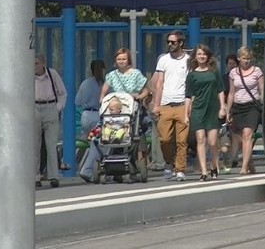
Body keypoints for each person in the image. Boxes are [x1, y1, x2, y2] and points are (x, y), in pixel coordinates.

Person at [79, 48, 149, 182]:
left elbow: (146, 90)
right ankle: (108, 168)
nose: (121, 61)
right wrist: (102, 100)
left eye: (124, 59)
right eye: (119, 59)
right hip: (113, 109)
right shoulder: (111, 75)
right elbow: (104, 90)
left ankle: (131, 164)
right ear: (115, 61)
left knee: (134, 136)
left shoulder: (136, 74)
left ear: (128, 60)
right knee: (102, 136)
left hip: (131, 108)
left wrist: (139, 96)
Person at [184, 44, 226, 181]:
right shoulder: (192, 75)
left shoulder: (214, 72)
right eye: (199, 54)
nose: (201, 56)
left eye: (204, 54)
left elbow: (220, 90)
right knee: (200, 139)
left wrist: (222, 107)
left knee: (213, 142)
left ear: (208, 56)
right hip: (198, 109)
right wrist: (186, 114)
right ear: (195, 57)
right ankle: (204, 171)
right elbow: (188, 95)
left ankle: (214, 165)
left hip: (213, 108)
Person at [152, 30, 190, 181]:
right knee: (165, 139)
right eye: (168, 42)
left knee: (182, 140)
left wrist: (189, 105)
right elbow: (159, 82)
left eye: (173, 42)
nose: (170, 45)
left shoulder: (188, 60)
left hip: (182, 103)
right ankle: (169, 162)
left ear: (181, 43)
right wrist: (156, 104)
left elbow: (190, 84)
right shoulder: (164, 60)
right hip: (166, 104)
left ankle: (180, 169)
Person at [226, 46, 263, 175]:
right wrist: (227, 110)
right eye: (244, 58)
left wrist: (264, 105)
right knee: (242, 138)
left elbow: (261, 90)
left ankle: (244, 166)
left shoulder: (257, 71)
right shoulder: (233, 73)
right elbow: (231, 92)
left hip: (252, 106)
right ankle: (250, 162)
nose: (246, 61)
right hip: (238, 106)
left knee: (248, 134)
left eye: (248, 58)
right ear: (239, 59)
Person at [34, 54, 67, 188]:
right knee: (34, 144)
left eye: (36, 63)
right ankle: (35, 176)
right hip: (34, 107)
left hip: (50, 106)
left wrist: (58, 108)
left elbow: (63, 93)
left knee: (51, 144)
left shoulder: (52, 74)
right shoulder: (27, 76)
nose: (34, 66)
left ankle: (54, 176)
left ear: (43, 63)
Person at [75, 59, 106, 143]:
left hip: (85, 116)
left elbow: (77, 102)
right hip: (98, 115)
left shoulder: (85, 83)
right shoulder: (104, 85)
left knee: (89, 140)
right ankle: (93, 156)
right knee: (98, 142)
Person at [221, 54, 239, 171]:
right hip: (228, 108)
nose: (231, 66)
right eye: (229, 64)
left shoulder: (241, 76)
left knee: (235, 134)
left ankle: (234, 157)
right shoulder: (224, 78)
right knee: (226, 134)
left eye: (233, 63)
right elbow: (223, 93)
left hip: (239, 107)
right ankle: (230, 157)